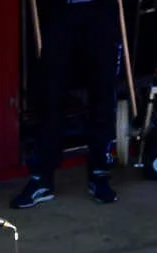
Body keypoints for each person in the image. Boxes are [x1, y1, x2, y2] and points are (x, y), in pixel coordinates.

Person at [13, 0, 121, 208]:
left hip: (99, 11)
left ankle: (99, 172)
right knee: (50, 95)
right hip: (61, 11)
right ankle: (42, 178)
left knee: (103, 93)